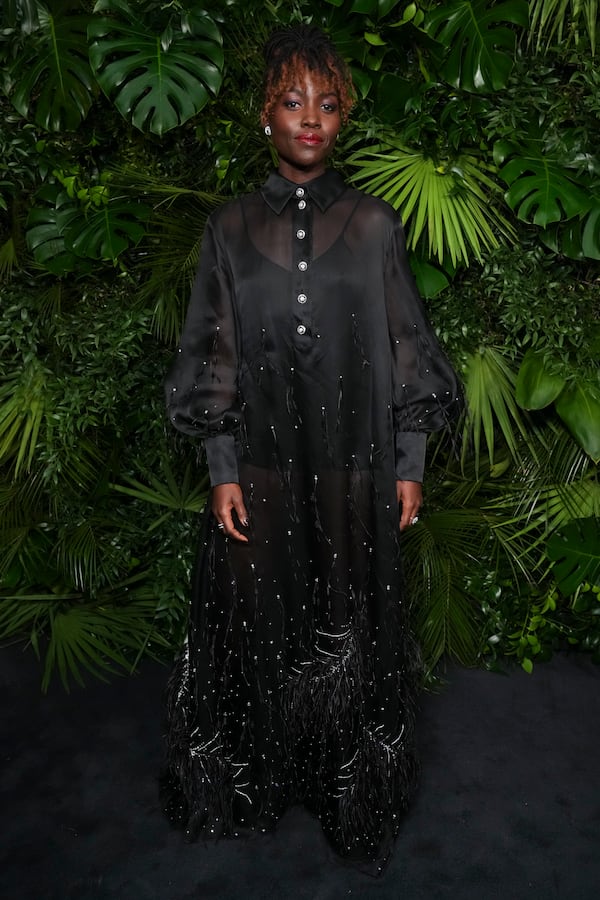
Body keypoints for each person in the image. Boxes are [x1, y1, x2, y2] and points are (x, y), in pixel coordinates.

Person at [162, 24, 461, 869]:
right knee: (256, 620)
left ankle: (349, 792)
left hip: (352, 467)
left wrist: (410, 464)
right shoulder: (226, 228)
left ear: (342, 121)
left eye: (327, 104)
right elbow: (210, 349)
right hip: (257, 463)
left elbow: (409, 347)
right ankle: (253, 784)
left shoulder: (373, 225)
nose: (311, 118)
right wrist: (219, 466)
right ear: (266, 114)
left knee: (345, 625)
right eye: (293, 101)